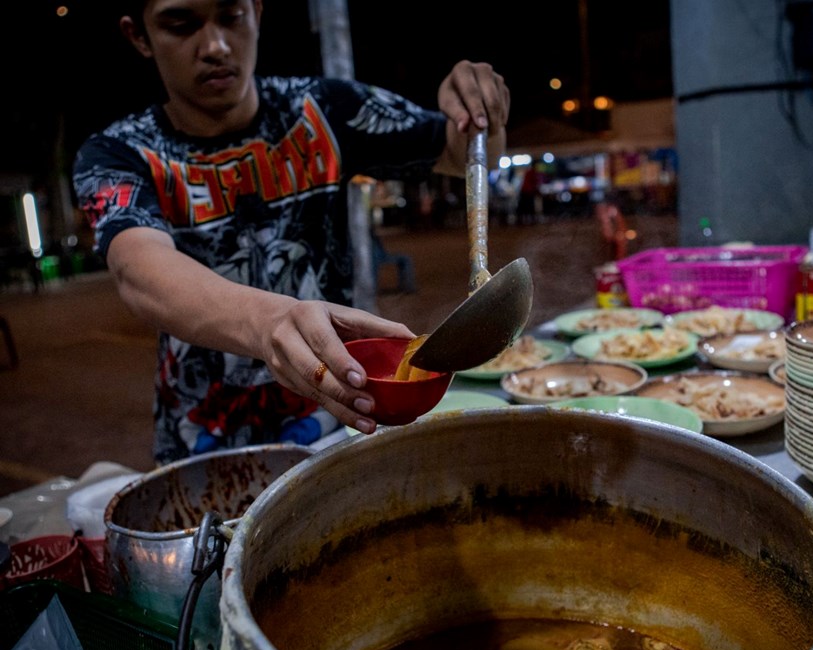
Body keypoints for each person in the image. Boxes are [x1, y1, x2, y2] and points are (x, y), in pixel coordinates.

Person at [72, 0, 510, 464]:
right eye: (181, 25)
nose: (215, 46)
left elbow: (464, 154)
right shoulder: (117, 153)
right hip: (202, 441)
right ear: (138, 36)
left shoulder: (325, 110)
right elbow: (138, 269)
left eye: (231, 17)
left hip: (340, 417)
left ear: (257, 15)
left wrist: (482, 112)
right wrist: (270, 322)